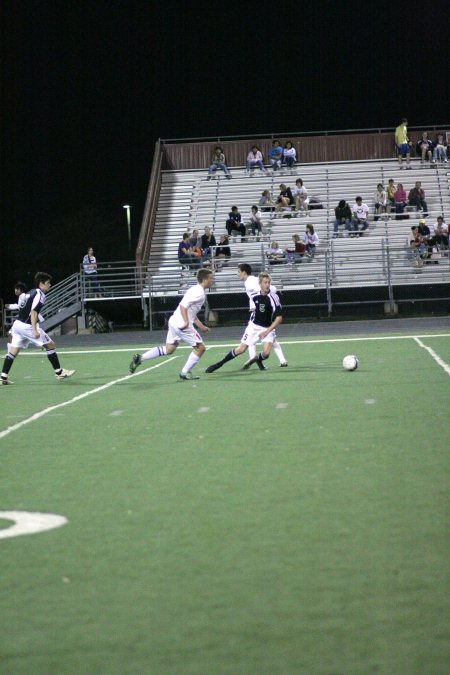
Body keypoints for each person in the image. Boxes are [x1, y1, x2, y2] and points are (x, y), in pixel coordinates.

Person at [129, 268, 213, 380]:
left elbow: (190, 312)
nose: (212, 281)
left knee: (169, 349)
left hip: (174, 321)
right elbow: (183, 306)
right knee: (200, 348)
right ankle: (184, 373)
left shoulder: (195, 289)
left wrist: (202, 326)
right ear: (205, 279)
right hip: (182, 324)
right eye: (211, 278)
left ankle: (140, 358)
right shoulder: (199, 292)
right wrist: (186, 322)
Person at [1, 272, 75, 385]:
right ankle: (59, 372)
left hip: (17, 325)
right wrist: (35, 330)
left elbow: (24, 309)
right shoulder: (40, 294)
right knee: (50, 345)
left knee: (13, 351)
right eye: (48, 283)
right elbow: (34, 311)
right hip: (27, 326)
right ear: (41, 284)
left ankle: (3, 377)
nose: (50, 285)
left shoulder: (30, 292)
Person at [205, 272, 283, 373]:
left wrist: (267, 331)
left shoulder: (274, 298)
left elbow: (279, 319)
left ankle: (257, 360)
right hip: (253, 326)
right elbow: (254, 309)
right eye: (265, 282)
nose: (267, 285)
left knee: (266, 354)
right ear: (260, 283)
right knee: (241, 349)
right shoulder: (254, 296)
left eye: (268, 282)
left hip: (267, 328)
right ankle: (219, 364)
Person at [236, 264, 287, 366]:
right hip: (260, 310)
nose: (237, 274)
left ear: (244, 272)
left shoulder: (249, 282)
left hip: (259, 312)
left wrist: (261, 303)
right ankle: (282, 360)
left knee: (252, 338)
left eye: (238, 272)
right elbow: (272, 288)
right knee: (271, 338)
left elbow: (266, 290)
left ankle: (252, 359)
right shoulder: (252, 280)